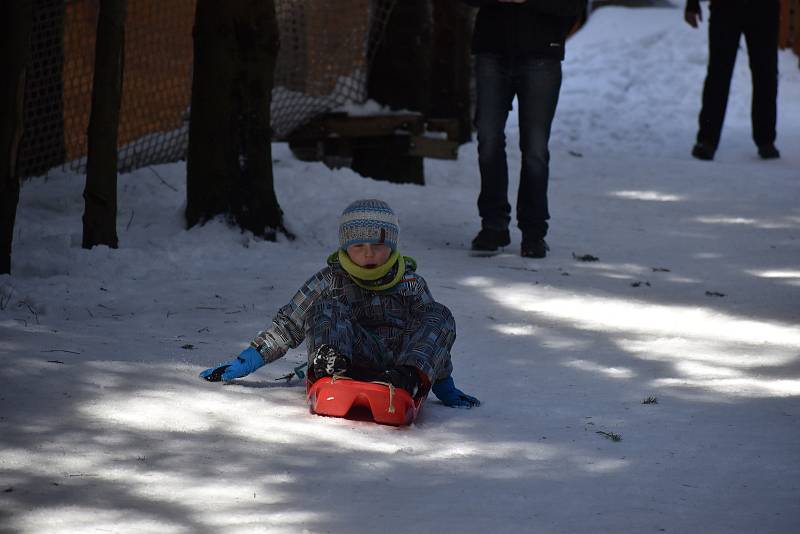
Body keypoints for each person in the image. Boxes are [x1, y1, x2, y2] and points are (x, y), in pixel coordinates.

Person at [199, 199, 480, 409]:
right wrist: (247, 360)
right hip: (350, 357)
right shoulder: (329, 280)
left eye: (378, 246)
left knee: (439, 313)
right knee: (325, 306)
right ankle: (330, 367)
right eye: (359, 246)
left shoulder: (411, 284)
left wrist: (443, 383)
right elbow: (288, 326)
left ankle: (407, 379)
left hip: (400, 365)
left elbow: (432, 334)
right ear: (345, 247)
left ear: (393, 247)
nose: (369, 254)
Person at [463, 0, 584, 258]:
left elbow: (573, 7)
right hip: (492, 49)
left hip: (542, 54)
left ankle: (534, 231)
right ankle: (493, 225)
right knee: (488, 138)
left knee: (535, 147)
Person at [685, 0, 781, 160]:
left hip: (764, 9)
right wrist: (692, 4)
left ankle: (766, 140)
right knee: (718, 75)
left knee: (765, 75)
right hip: (726, 8)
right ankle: (707, 139)